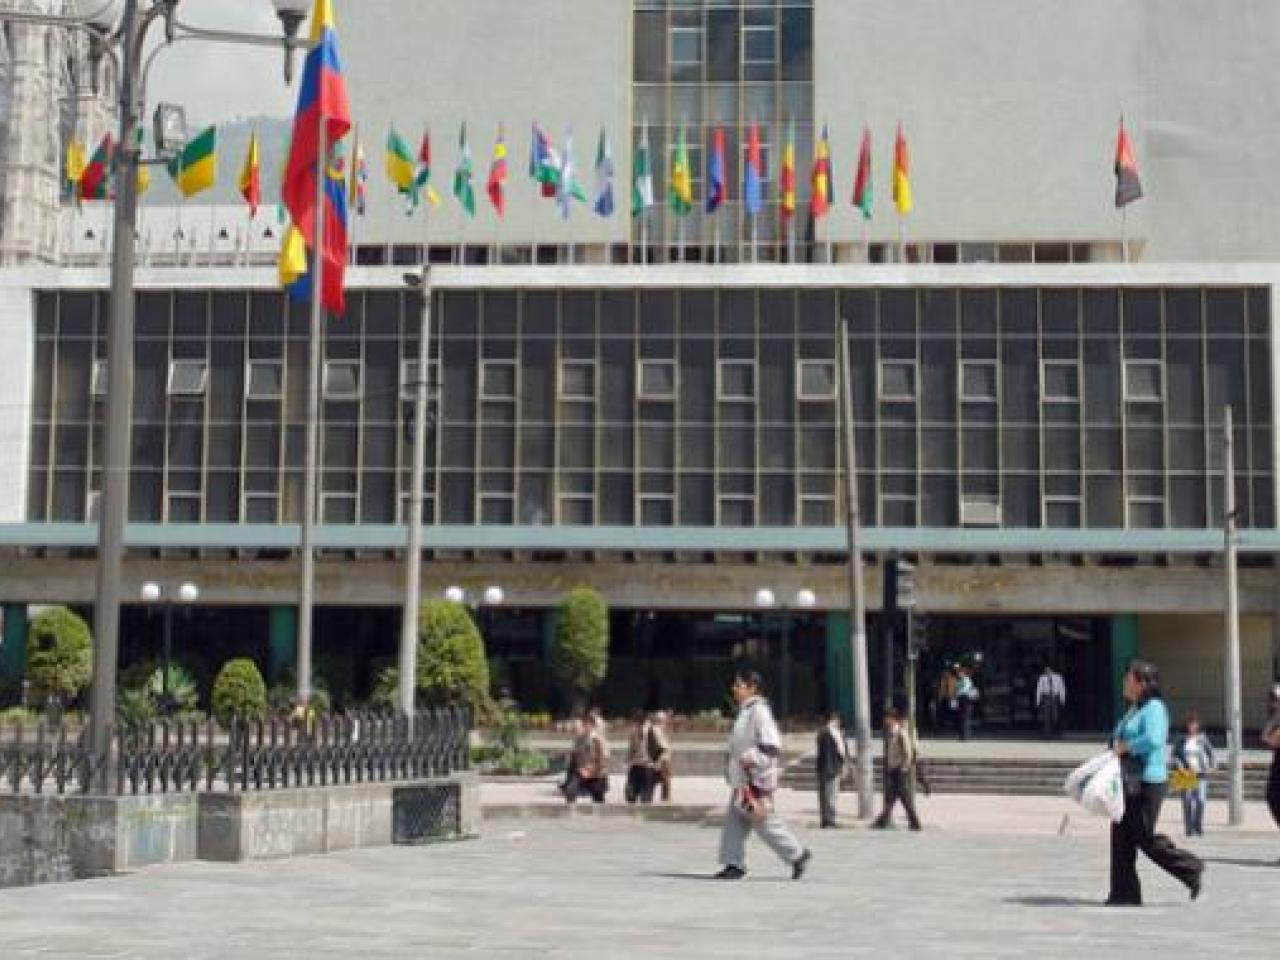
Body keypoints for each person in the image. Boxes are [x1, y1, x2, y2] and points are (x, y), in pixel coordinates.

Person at [1106, 660, 1204, 906]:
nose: (1124, 683)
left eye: (1128, 679)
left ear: (1141, 683)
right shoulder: (1134, 709)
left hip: (1148, 780)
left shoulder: (1154, 708)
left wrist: (1127, 746)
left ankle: (1189, 867)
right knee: (1121, 836)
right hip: (1127, 780)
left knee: (1143, 835)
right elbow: (1119, 736)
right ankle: (1124, 893)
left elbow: (1154, 738)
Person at [715, 668, 811, 880]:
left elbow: (772, 746)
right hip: (742, 779)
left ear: (752, 688)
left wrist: (751, 759)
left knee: (763, 821)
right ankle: (733, 863)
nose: (734, 688)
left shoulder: (759, 711)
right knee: (735, 822)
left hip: (754, 780)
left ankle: (797, 854)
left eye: (739, 685)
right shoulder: (746, 711)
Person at [872, 707, 922, 831]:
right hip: (893, 768)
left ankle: (914, 822)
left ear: (892, 719)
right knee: (892, 797)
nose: (885, 721)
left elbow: (908, 752)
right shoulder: (892, 732)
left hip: (900, 769)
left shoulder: (901, 733)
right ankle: (883, 821)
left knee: (904, 798)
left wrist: (904, 767)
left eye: (887, 718)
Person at [1172, 712, 1215, 837]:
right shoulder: (1180, 739)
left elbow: (1210, 753)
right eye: (1190, 724)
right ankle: (1189, 827)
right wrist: (1179, 767)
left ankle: (1198, 825)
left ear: (1198, 726)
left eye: (1194, 724)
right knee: (1187, 801)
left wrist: (1212, 766)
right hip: (1185, 772)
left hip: (1200, 772)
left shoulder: (1202, 739)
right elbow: (1174, 755)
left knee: (1201, 800)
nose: (1192, 726)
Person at [561, 713, 609, 804]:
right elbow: (575, 752)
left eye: (588, 724)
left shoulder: (599, 739)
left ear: (592, 725)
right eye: (585, 724)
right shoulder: (580, 739)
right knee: (570, 791)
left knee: (598, 798)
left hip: (595, 773)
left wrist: (593, 770)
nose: (586, 726)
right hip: (581, 771)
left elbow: (604, 757)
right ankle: (571, 810)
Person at [815, 711, 847, 828]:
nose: (839, 723)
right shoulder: (833, 733)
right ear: (834, 720)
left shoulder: (822, 732)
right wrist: (840, 766)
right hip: (831, 768)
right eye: (837, 720)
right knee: (831, 795)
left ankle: (825, 819)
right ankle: (830, 820)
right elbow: (839, 752)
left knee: (825, 795)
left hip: (824, 768)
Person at [624, 711, 654, 804]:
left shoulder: (652, 733)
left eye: (636, 723)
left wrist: (651, 761)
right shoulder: (633, 733)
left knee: (645, 797)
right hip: (635, 766)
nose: (635, 726)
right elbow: (631, 749)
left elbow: (661, 750)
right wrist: (627, 762)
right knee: (630, 794)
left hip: (647, 767)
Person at [1263, 683, 1280, 842]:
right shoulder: (1275, 717)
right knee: (1271, 796)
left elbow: (1271, 739)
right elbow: (1266, 737)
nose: (1273, 703)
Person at [648, 710, 673, 801]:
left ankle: (662, 798)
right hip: (662, 759)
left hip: (663, 758)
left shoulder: (659, 729)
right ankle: (664, 799)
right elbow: (662, 747)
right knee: (663, 779)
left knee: (662, 779)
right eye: (664, 719)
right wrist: (658, 761)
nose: (666, 721)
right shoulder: (656, 729)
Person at [1036, 665, 1067, 738]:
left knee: (1055, 715)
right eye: (1046, 670)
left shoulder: (1058, 677)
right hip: (1046, 697)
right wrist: (1038, 700)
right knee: (1046, 716)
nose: (1047, 671)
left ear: (1052, 670)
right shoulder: (1042, 678)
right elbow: (1039, 689)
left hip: (1055, 697)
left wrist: (1062, 699)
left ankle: (1056, 730)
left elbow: (1061, 688)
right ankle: (1047, 733)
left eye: (1048, 669)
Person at [955, 666, 978, 741]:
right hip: (961, 699)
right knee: (962, 718)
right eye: (958, 673)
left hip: (966, 699)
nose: (959, 674)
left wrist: (958, 693)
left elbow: (964, 690)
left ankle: (965, 736)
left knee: (965, 718)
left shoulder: (966, 680)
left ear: (964, 673)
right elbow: (957, 690)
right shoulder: (959, 681)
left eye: (960, 673)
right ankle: (962, 735)